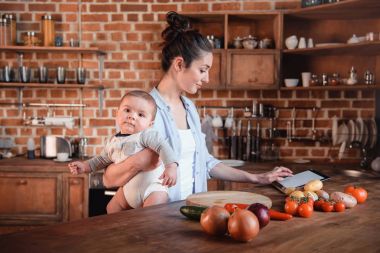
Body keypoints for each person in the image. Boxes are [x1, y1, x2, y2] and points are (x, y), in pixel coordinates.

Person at [103, 11, 293, 202]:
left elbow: (206, 162)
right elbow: (109, 178)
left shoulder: (190, 108)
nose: (207, 79)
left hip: (191, 213)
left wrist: (257, 178)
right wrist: (138, 162)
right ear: (179, 64)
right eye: (202, 70)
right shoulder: (143, 112)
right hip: (157, 220)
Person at [68, 90, 178, 213]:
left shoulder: (146, 135)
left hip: (153, 189)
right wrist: (85, 166)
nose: (132, 116)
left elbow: (163, 146)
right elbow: (101, 159)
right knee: (111, 208)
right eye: (127, 110)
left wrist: (171, 166)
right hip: (127, 191)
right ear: (117, 113)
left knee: (150, 219)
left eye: (141, 115)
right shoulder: (112, 141)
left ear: (150, 124)